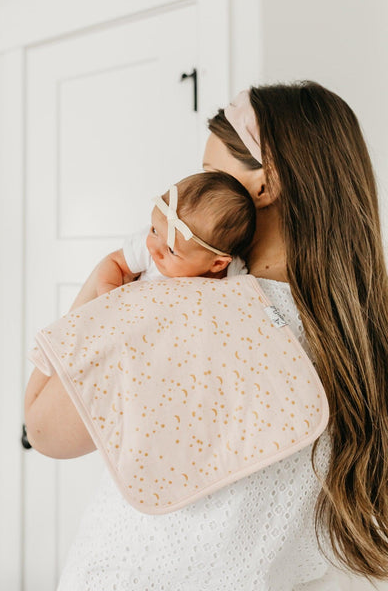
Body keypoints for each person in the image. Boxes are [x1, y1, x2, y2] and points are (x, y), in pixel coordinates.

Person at [24, 80, 388, 589]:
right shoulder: (360, 335)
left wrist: (99, 295)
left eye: (212, 174)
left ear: (265, 185)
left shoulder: (167, 308)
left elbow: (42, 429)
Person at [95, 171, 256, 296]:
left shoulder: (232, 275)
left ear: (217, 264)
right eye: (155, 230)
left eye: (172, 250)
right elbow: (115, 262)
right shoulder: (147, 249)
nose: (153, 248)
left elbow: (243, 299)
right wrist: (109, 295)